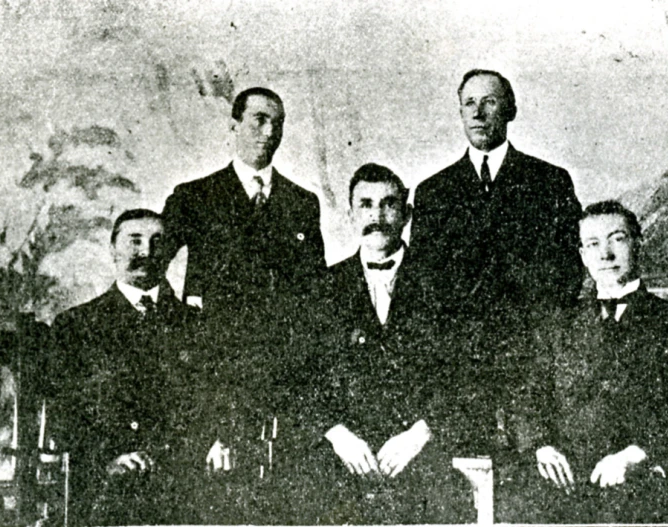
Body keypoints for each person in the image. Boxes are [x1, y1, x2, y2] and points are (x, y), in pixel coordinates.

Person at [302, 163, 472, 524]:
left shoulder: (446, 286)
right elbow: (303, 376)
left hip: (424, 452)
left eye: (388, 204)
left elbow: (465, 372)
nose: (376, 216)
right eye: (365, 205)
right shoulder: (323, 288)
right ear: (350, 214)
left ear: (406, 214)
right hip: (343, 457)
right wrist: (338, 435)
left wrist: (421, 433)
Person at [507, 201, 668, 523]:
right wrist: (540, 446)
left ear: (638, 243)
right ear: (582, 256)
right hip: (564, 489)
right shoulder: (558, 326)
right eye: (593, 244)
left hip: (642, 488)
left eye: (617, 239)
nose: (605, 254)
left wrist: (636, 455)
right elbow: (526, 398)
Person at [48, 209, 201, 526]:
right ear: (113, 248)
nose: (146, 252)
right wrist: (107, 459)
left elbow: (214, 400)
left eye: (158, 242)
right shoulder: (75, 326)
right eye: (135, 241)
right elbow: (64, 415)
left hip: (184, 483)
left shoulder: (196, 325)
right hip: (104, 485)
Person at [410, 69, 582, 320]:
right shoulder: (433, 192)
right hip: (461, 348)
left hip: (531, 343)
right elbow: (423, 280)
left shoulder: (550, 181)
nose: (477, 113)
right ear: (460, 113)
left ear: (511, 111)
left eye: (489, 101)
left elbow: (570, 269)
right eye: (469, 103)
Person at [161, 86, 325, 314]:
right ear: (234, 126)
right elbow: (151, 261)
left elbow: (316, 284)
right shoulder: (195, 195)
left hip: (281, 344)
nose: (269, 132)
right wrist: (178, 315)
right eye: (260, 120)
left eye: (278, 124)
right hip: (214, 341)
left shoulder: (302, 202)